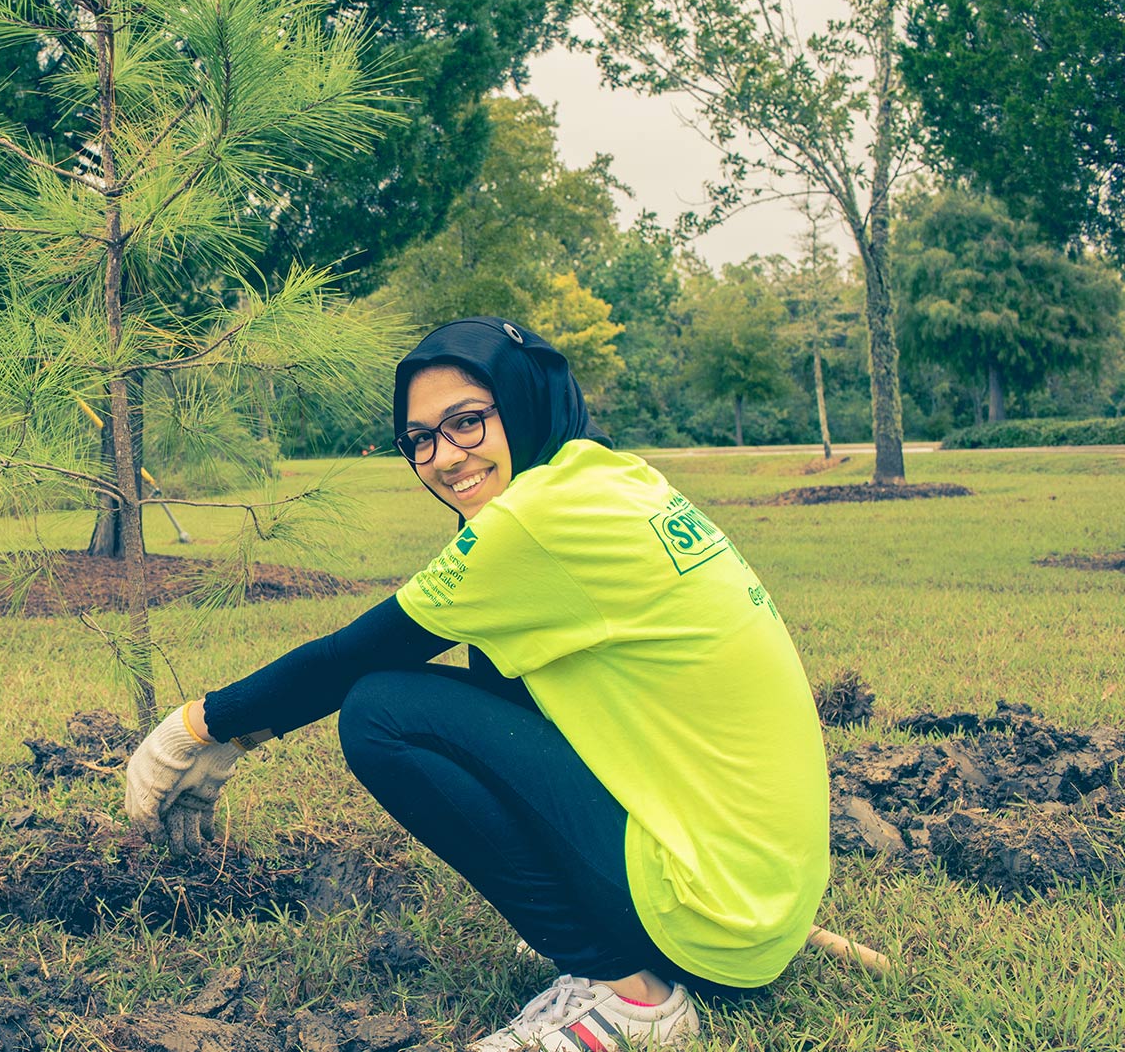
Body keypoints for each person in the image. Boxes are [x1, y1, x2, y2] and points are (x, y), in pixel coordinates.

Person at [124, 317, 829, 1051]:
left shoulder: (535, 521)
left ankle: (629, 993)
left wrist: (199, 729)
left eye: (467, 421)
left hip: (709, 923)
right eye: (420, 439)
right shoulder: (611, 477)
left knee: (382, 712)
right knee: (494, 657)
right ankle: (631, 926)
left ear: (521, 401)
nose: (443, 457)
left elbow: (354, 656)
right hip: (755, 904)